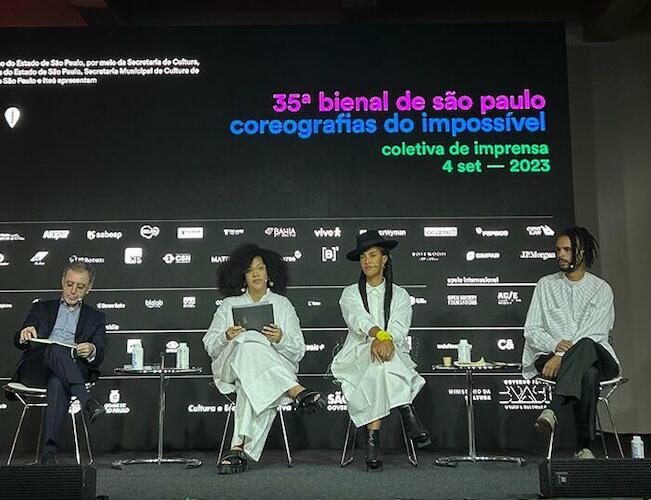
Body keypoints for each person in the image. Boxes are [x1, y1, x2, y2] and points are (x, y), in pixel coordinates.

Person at [203, 243, 324, 474]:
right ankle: (295, 390)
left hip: (260, 374)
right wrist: (226, 336)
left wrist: (280, 338)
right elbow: (210, 346)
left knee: (249, 374)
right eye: (250, 270)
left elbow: (298, 350)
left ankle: (237, 448)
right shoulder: (229, 305)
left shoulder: (282, 304)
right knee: (247, 341)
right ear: (242, 276)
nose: (256, 274)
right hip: (231, 367)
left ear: (269, 273)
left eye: (260, 268)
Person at [331, 230, 430, 471]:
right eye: (363, 257)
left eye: (373, 255)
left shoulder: (401, 294)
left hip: (390, 354)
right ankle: (407, 412)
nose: (367, 261)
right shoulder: (350, 293)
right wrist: (378, 336)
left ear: (385, 258)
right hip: (354, 356)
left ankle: (372, 443)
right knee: (379, 358)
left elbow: (399, 326)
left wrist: (386, 340)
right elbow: (358, 319)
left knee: (380, 365)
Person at [522, 226, 620, 459]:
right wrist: (555, 346)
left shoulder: (601, 289)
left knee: (586, 343)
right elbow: (532, 329)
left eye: (567, 249)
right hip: (550, 356)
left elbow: (594, 335)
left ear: (582, 252)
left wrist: (562, 356)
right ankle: (584, 448)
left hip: (597, 355)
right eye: (558, 250)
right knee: (588, 375)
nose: (560, 254)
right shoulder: (545, 285)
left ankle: (553, 409)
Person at [9, 262, 107, 464]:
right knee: (54, 348)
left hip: (67, 370)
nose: (72, 291)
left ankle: (49, 454)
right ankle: (87, 400)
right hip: (36, 368)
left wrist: (91, 349)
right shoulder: (41, 308)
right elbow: (18, 340)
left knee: (57, 381)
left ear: (89, 288)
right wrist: (24, 334)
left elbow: (99, 352)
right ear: (62, 281)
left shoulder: (96, 317)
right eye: (69, 284)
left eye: (80, 287)